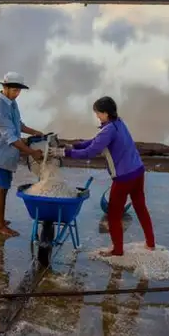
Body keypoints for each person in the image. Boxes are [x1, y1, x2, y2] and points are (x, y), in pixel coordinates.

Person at [56, 96, 155, 256]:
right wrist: (75, 145)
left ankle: (117, 250)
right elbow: (96, 141)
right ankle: (150, 244)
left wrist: (66, 152)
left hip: (124, 177)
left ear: (105, 113)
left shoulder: (108, 130)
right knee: (140, 207)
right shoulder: (118, 123)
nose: (97, 116)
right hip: (138, 171)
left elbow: (91, 152)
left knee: (114, 215)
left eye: (98, 113)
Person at [0, 72, 45, 237]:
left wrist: (33, 131)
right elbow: (10, 137)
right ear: (4, 87)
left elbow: (17, 124)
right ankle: (0, 226)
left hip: (6, 154)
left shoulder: (11, 103)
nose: (17, 93)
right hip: (0, 154)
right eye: (14, 90)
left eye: (19, 90)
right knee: (2, 189)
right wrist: (32, 152)